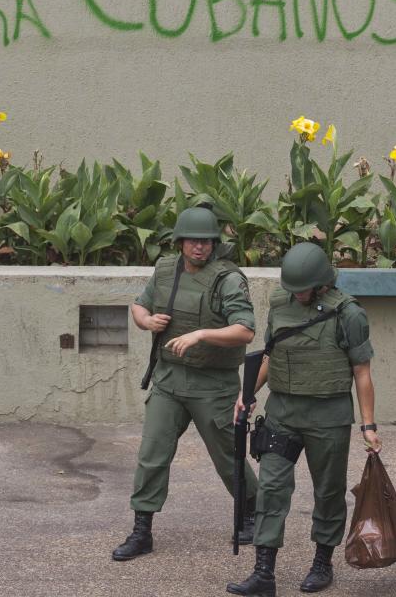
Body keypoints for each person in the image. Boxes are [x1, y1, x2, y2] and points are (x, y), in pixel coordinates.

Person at [226, 242, 381, 595]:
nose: (295, 295)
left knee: (328, 492)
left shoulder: (349, 314)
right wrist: (247, 393)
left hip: (328, 417)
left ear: (322, 284)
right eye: (291, 288)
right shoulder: (281, 305)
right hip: (282, 412)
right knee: (271, 490)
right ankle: (264, 572)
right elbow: (270, 355)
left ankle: (322, 563)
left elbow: (362, 371)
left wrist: (368, 425)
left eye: (302, 289)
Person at [112, 205, 260, 561]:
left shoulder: (227, 279)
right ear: (180, 242)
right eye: (193, 240)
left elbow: (246, 330)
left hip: (213, 384)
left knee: (229, 456)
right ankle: (141, 530)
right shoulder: (165, 270)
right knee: (152, 454)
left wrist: (201, 334)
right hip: (169, 379)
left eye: (207, 241)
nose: (200, 248)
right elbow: (138, 306)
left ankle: (252, 511)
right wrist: (147, 321)